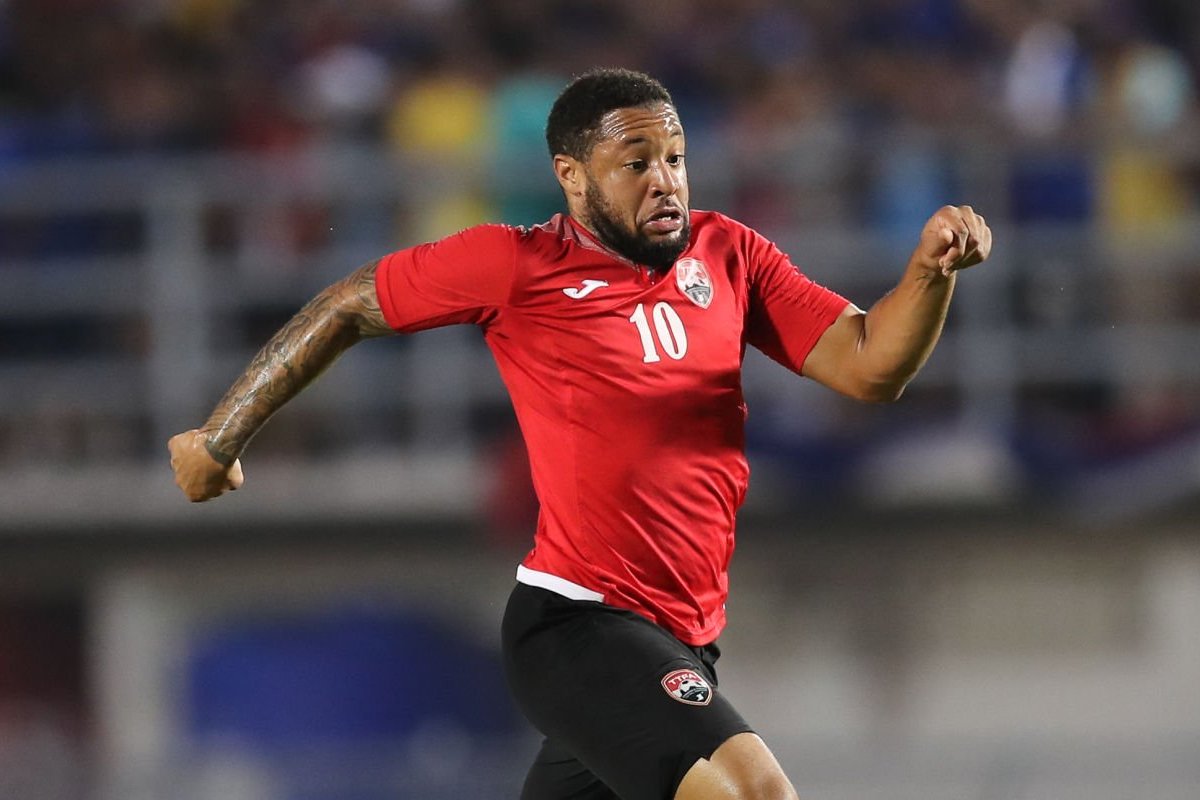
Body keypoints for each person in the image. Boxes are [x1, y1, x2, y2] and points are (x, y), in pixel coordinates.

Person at [168, 68, 992, 800]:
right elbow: (347, 304)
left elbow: (869, 366)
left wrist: (925, 275)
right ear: (571, 176)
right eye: (636, 164)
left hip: (686, 638)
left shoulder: (728, 254)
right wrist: (220, 438)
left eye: (674, 158)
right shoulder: (517, 266)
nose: (664, 181)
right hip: (580, 624)